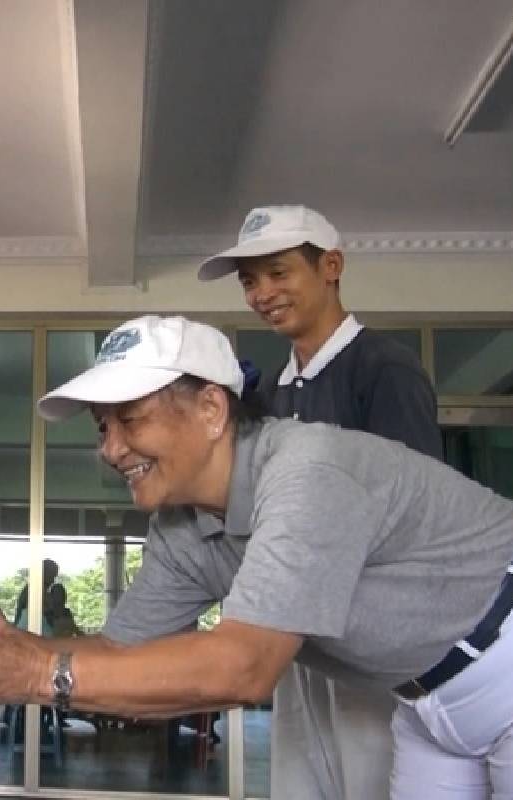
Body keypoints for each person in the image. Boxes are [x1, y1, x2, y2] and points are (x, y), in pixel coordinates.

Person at [0, 315, 513, 800]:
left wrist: (40, 674)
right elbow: (123, 652)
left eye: (129, 418)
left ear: (212, 409)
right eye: (102, 427)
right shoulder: (183, 529)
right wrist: (17, 650)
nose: (111, 447)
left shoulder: (306, 471)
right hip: (429, 697)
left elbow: (244, 668)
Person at [198, 205, 443, 799]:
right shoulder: (273, 393)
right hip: (300, 640)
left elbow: (416, 512)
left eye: (278, 273)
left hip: (371, 638)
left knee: (372, 782)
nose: (262, 293)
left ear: (331, 266)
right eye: (250, 281)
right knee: (299, 783)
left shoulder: (385, 369)